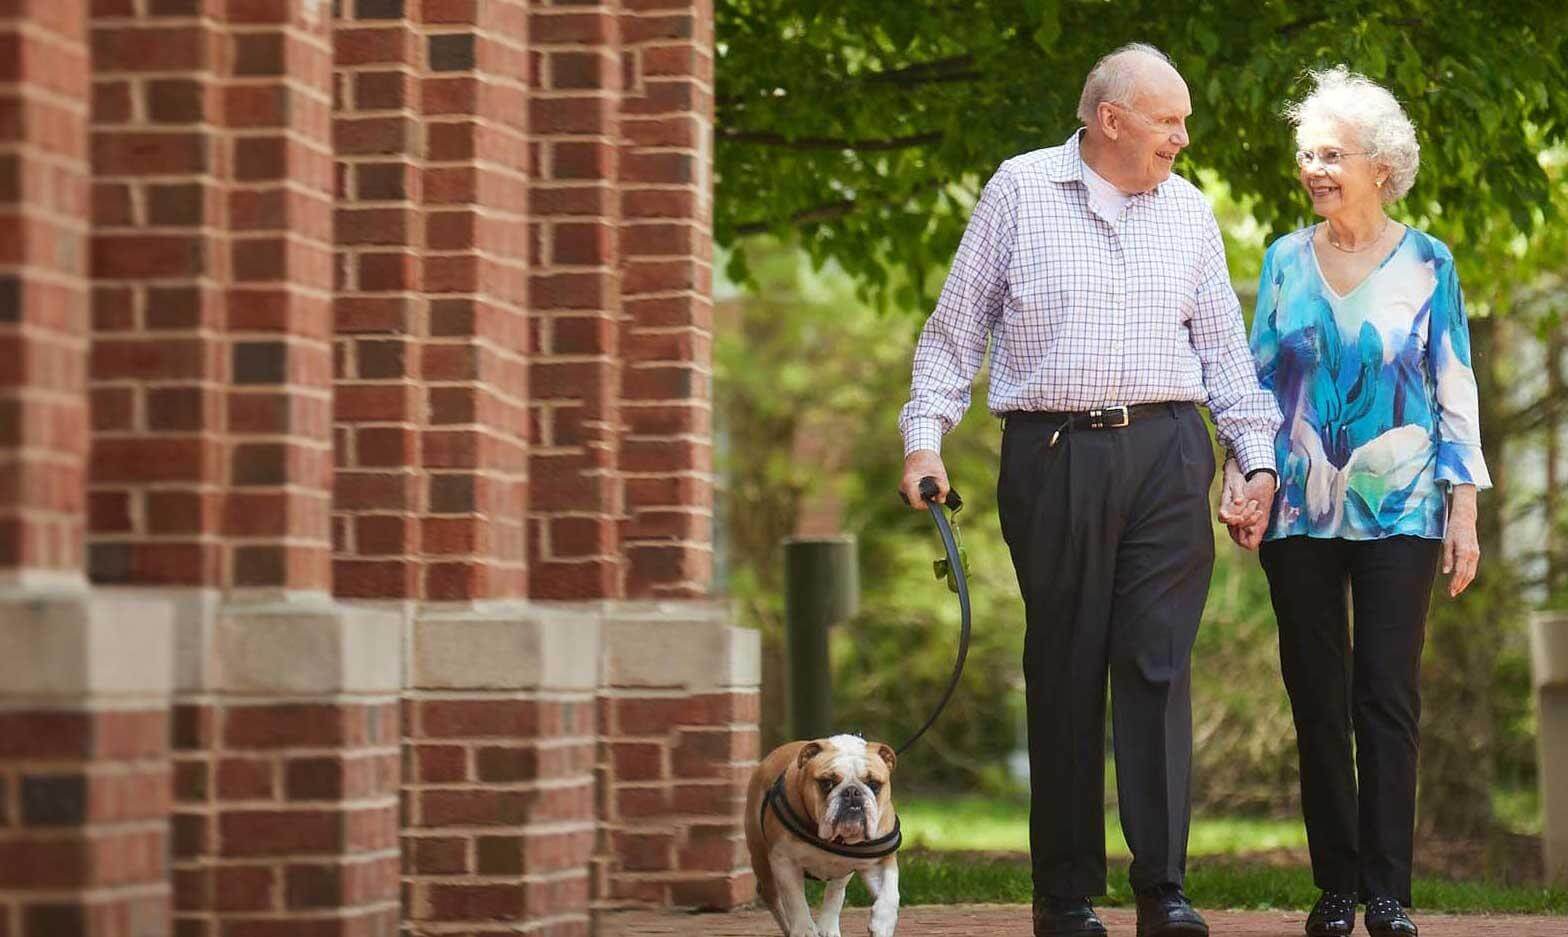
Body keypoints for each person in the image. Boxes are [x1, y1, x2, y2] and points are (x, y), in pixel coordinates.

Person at [897, 43, 1282, 937]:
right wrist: (925, 441)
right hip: (1056, 451)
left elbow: (1226, 355)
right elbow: (953, 337)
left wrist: (1252, 458)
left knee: (1156, 664)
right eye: (1170, 120)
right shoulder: (1021, 190)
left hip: (1170, 450)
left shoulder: (1189, 212)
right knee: (1065, 668)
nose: (1185, 137)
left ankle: (1164, 890)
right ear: (1110, 119)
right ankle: (1065, 895)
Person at [1218, 66, 1490, 937]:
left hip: (1400, 508)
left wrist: (1465, 506)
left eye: (1331, 153)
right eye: (1306, 154)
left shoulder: (1428, 261)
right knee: (1315, 692)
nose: (1314, 168)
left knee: (1385, 692)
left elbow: (1454, 385)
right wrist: (1240, 470)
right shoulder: (1283, 261)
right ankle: (1335, 887)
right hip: (1298, 509)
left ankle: (1388, 893)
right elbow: (1252, 385)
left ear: (1380, 163)